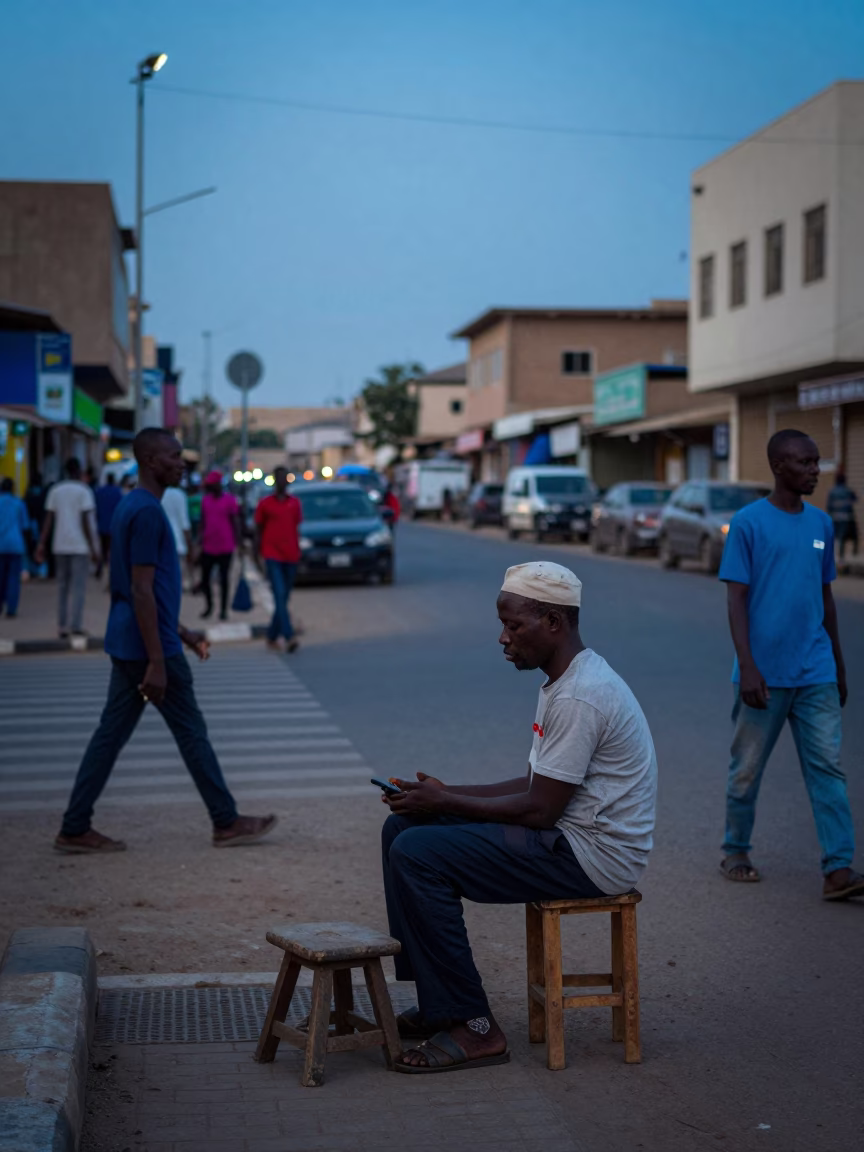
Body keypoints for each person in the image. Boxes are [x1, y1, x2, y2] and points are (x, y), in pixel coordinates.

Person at [380, 560, 657, 1073]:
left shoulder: (580, 693)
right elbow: (537, 784)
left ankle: (474, 1028)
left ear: (554, 622)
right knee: (403, 826)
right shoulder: (566, 678)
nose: (503, 638)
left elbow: (540, 809)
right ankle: (441, 1003)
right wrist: (440, 794)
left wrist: (444, 804)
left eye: (514, 625)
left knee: (417, 854)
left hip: (592, 857)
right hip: (567, 837)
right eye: (503, 624)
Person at [53, 427, 278, 855]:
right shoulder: (148, 513)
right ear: (152, 461)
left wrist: (185, 631)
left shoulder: (131, 506)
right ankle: (226, 821)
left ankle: (74, 826)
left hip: (133, 639)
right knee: (191, 732)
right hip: (147, 647)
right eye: (175, 456)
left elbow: (144, 591)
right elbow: (139, 590)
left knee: (110, 736)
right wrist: (158, 659)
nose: (182, 463)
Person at [718, 429, 863, 900]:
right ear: (779, 467)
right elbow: (736, 600)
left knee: (827, 769)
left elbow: (826, 598)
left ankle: (838, 869)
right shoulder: (748, 523)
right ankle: (736, 849)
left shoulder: (821, 524)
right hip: (763, 674)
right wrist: (748, 666)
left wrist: (839, 664)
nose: (814, 470)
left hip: (816, 670)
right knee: (746, 770)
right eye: (805, 463)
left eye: (816, 462)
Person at [35, 457, 98, 638]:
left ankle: (62, 626)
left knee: (62, 587)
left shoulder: (56, 490)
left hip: (59, 545)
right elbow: (86, 521)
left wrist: (41, 544)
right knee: (78, 587)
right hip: (79, 546)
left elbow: (48, 520)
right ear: (79, 471)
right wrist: (94, 548)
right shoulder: (84, 491)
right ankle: (75, 625)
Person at [253, 467, 302, 652]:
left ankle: (272, 635)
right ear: (274, 481)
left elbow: (296, 527)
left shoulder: (295, 503)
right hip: (272, 554)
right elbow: (258, 529)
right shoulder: (265, 504)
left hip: (291, 555)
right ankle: (288, 636)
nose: (282, 482)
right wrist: (256, 555)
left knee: (284, 597)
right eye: (279, 478)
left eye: (284, 478)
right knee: (279, 594)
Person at [199, 471, 241, 621]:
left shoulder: (229, 500)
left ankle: (223, 610)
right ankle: (209, 606)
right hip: (208, 545)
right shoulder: (205, 501)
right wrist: (199, 540)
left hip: (225, 545)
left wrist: (239, 542)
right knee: (205, 579)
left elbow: (235, 521)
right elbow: (202, 522)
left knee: (224, 579)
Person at [0, 478, 30, 617]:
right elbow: (25, 526)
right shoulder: (19, 503)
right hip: (16, 544)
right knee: (13, 578)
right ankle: (11, 609)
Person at [162, 482, 195, 588]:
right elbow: (184, 522)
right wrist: (189, 545)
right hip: (178, 543)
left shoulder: (159, 493)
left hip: (162, 543)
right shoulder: (180, 495)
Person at [94, 474, 123, 579]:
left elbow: (95, 508)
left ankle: (99, 568)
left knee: (102, 548)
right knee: (112, 550)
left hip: (101, 524)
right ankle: (112, 571)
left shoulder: (99, 491)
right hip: (113, 525)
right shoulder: (117, 492)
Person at [826, 470, 858, 561]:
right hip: (846, 518)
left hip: (835, 518)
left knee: (837, 537)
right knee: (846, 537)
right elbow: (855, 499)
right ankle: (845, 556)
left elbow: (829, 506)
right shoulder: (847, 491)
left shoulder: (832, 492)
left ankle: (838, 557)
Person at [25, 471, 48, 578]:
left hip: (30, 523)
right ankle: (42, 570)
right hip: (40, 523)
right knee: (41, 545)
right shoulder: (43, 493)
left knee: (31, 546)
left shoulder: (28, 493)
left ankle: (31, 569)